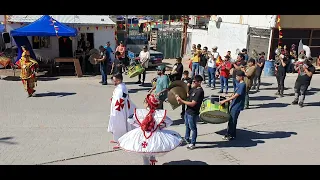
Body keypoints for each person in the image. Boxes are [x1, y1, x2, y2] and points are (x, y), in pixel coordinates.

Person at [118, 94, 182, 165]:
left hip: (143, 134)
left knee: (144, 152)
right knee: (153, 148)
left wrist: (139, 125)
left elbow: (130, 120)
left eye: (145, 102)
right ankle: (152, 161)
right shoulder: (159, 114)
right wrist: (159, 127)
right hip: (154, 134)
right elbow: (169, 122)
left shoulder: (140, 113)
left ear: (147, 104)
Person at [108, 73, 136, 149]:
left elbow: (121, 100)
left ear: (119, 80)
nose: (113, 82)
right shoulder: (120, 87)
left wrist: (117, 110)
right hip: (118, 108)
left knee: (120, 124)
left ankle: (121, 141)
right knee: (117, 124)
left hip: (119, 110)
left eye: (114, 80)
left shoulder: (121, 89)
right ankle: (117, 139)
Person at [176, 75, 204, 150]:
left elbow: (193, 103)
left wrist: (182, 101)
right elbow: (187, 95)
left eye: (195, 82)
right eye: (193, 81)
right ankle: (186, 138)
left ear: (199, 82)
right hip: (187, 111)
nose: (193, 83)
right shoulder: (193, 89)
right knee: (187, 126)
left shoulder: (199, 91)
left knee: (193, 128)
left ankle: (193, 143)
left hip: (193, 112)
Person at [219, 70, 246, 140]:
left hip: (237, 105)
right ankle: (231, 133)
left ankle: (230, 135)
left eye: (237, 76)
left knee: (232, 120)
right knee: (231, 119)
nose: (236, 78)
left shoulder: (242, 85)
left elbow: (236, 95)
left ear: (241, 77)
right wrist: (228, 96)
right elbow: (234, 93)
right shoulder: (239, 84)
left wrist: (224, 101)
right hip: (234, 104)